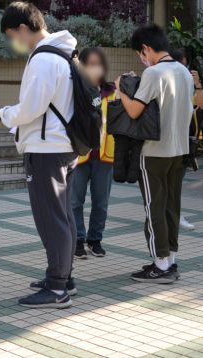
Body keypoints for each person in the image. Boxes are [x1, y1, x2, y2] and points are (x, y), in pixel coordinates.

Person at [0, 1, 78, 309]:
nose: (13, 43)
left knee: (51, 218)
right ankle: (63, 277)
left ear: (23, 29)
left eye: (12, 35)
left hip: (46, 149)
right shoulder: (64, 52)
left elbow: (31, 108)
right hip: (63, 146)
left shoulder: (45, 58)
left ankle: (58, 287)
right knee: (64, 215)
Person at [115, 24, 193, 284]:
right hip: (179, 150)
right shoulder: (184, 72)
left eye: (140, 53)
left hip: (153, 152)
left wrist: (120, 90)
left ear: (146, 48)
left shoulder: (153, 73)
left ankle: (160, 265)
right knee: (172, 206)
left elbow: (135, 111)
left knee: (154, 207)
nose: (141, 58)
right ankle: (169, 260)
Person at [72, 47, 116, 259]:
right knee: (75, 201)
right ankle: (78, 240)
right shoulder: (75, 90)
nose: (94, 68)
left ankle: (95, 240)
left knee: (101, 202)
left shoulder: (113, 91)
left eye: (98, 64)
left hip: (105, 155)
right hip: (80, 154)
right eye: (89, 64)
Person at [171, 48, 203, 231]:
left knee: (176, 181)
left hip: (184, 141)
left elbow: (202, 105)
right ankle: (165, 214)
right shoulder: (162, 80)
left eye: (185, 64)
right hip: (164, 141)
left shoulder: (190, 85)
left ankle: (175, 215)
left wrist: (198, 84)